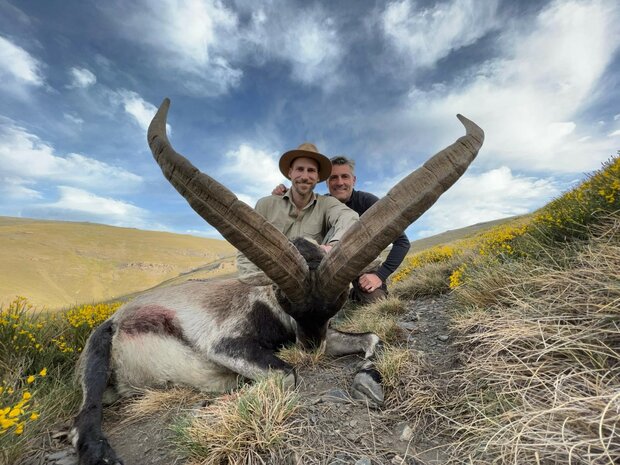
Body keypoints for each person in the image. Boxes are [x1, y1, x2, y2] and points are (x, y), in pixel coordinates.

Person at [273, 155, 410, 303]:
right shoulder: (319, 204)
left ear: (354, 180)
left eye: (345, 176)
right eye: (333, 178)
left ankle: (353, 294)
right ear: (326, 182)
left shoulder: (369, 203)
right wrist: (286, 194)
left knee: (376, 301)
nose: (340, 182)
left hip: (361, 265)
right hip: (324, 267)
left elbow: (402, 242)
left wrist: (380, 276)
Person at [237, 144, 359, 278]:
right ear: (290, 173)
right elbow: (246, 244)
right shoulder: (265, 204)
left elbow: (349, 217)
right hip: (273, 282)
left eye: (311, 170)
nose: (305, 176)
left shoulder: (327, 204)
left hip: (314, 282)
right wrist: (254, 280)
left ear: (318, 176)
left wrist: (333, 247)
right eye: (300, 169)